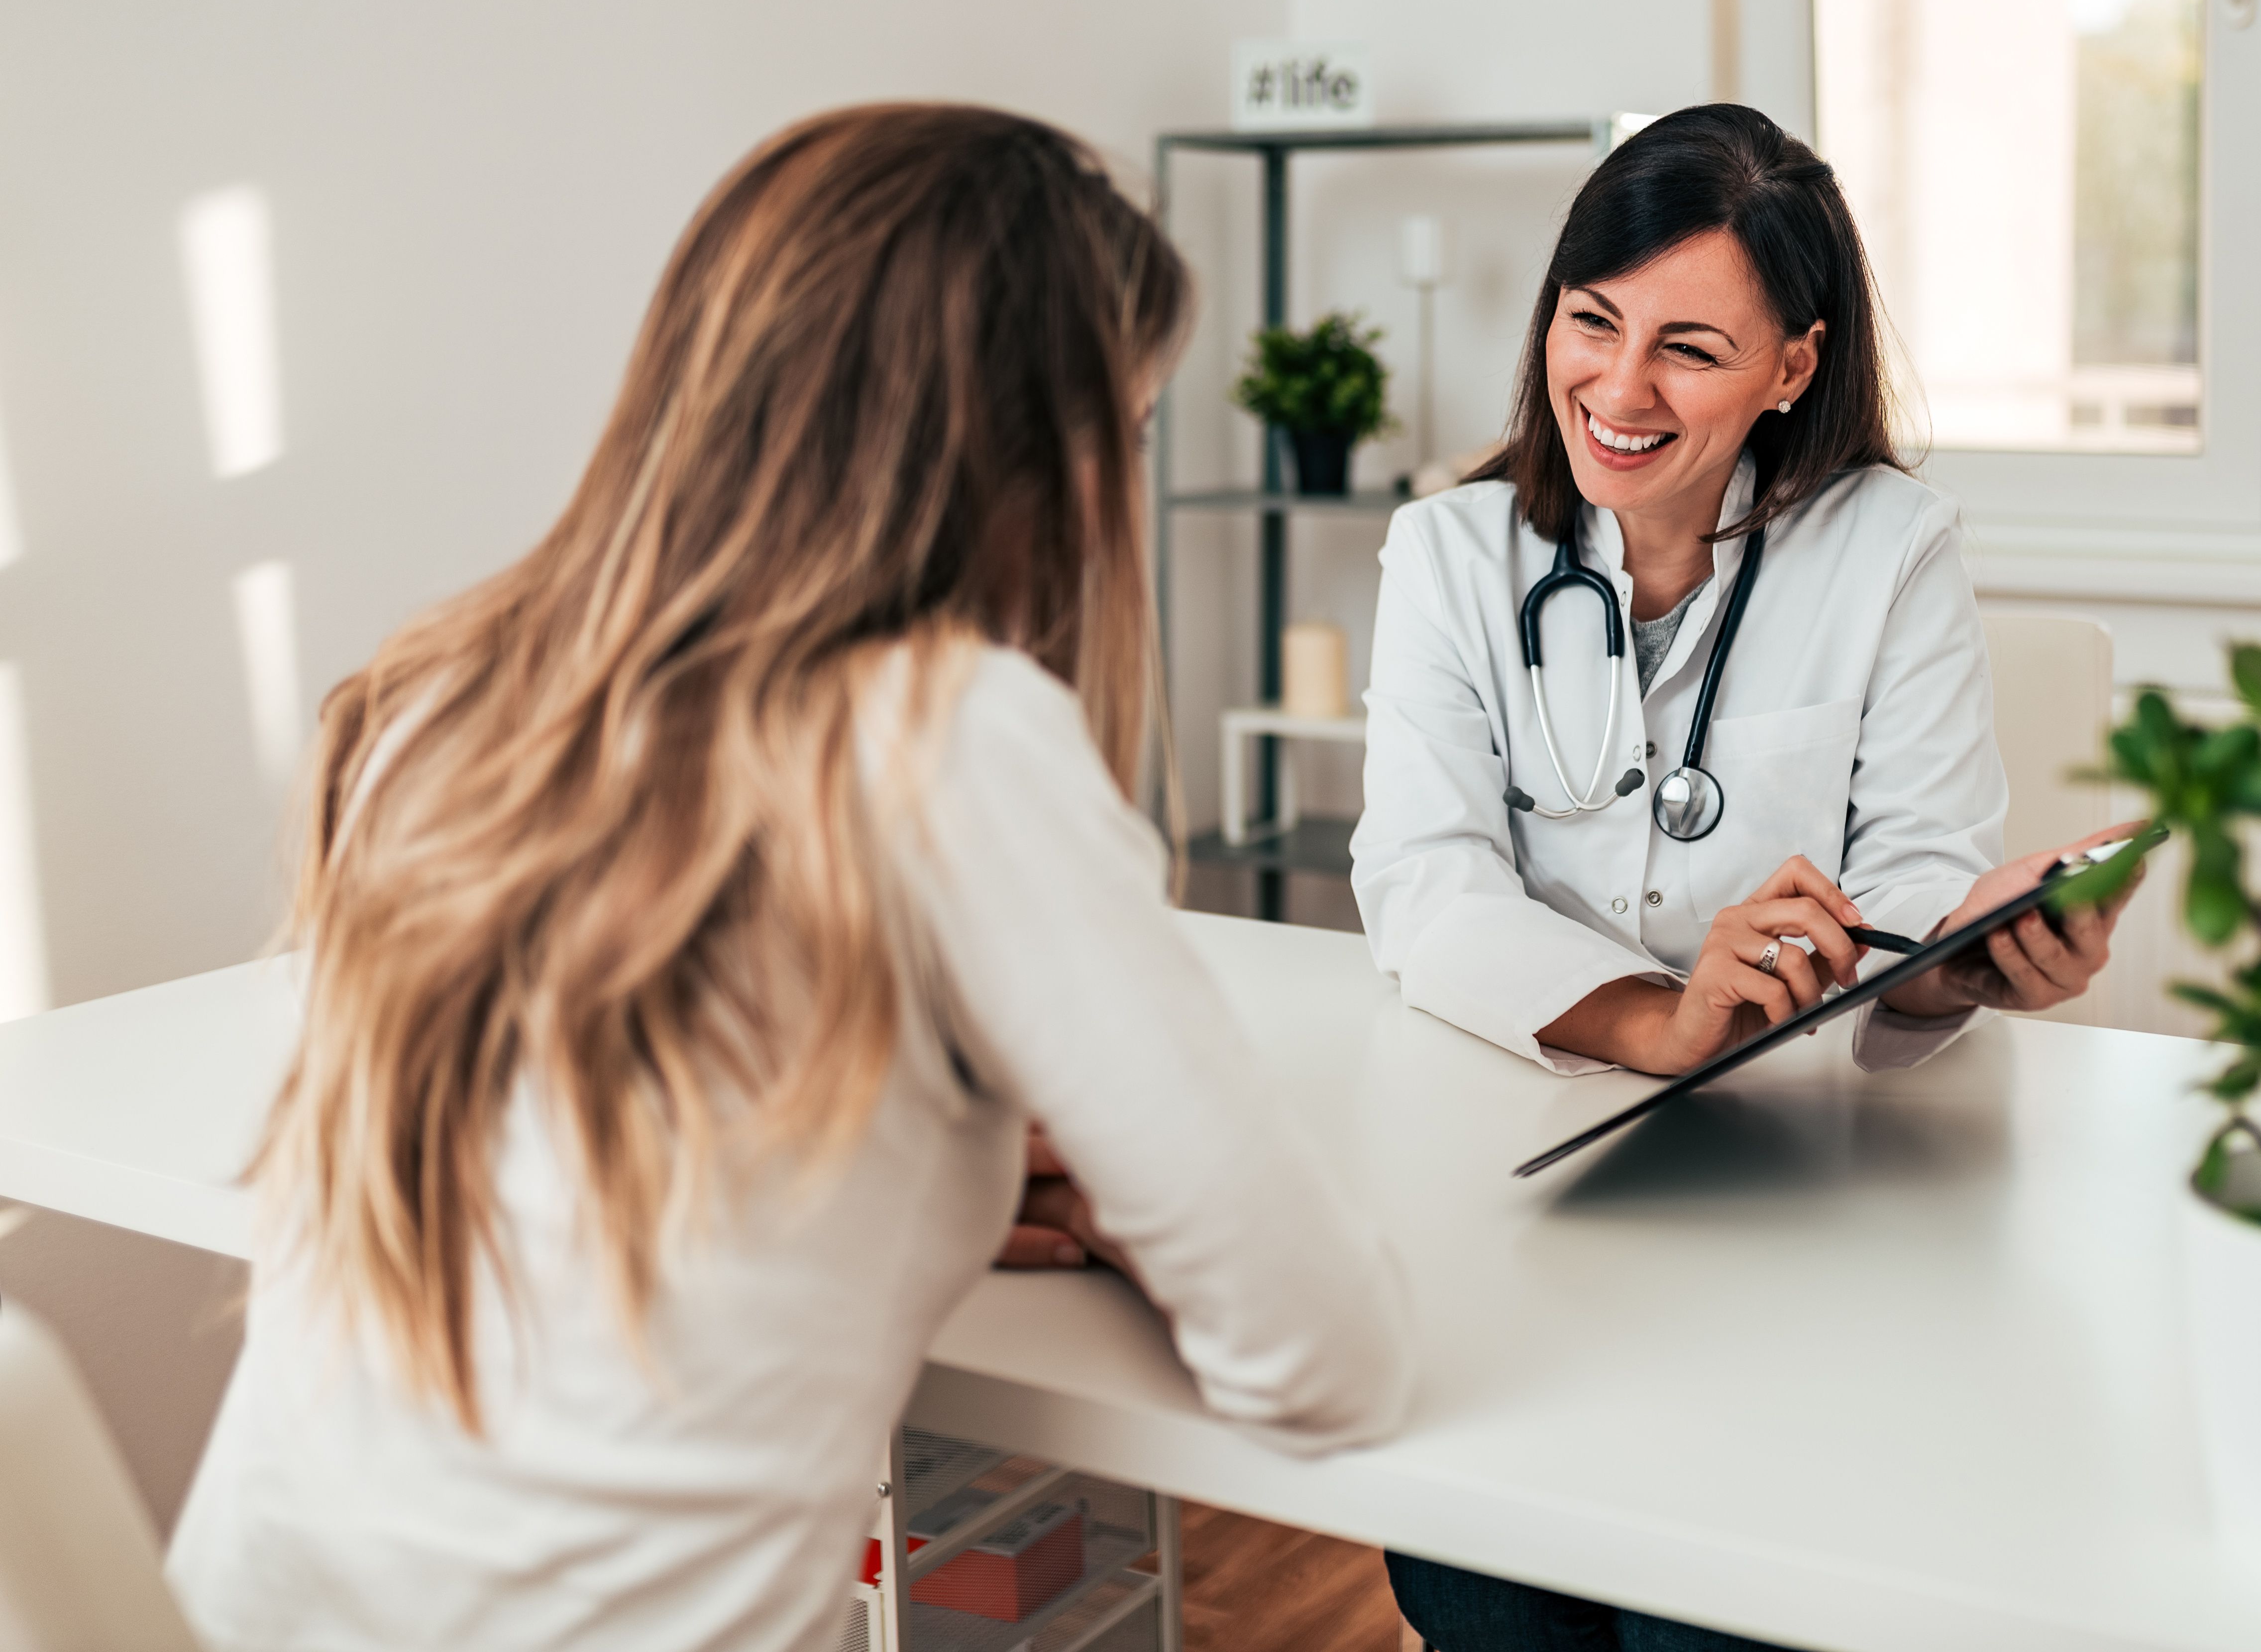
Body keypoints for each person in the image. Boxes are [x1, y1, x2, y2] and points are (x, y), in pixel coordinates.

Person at [168, 105, 1412, 1652]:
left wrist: (936, 1155)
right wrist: (1128, 1193)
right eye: (1134, 433)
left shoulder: (438, 697)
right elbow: (1326, 1357)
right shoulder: (947, 737)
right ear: (1027, 454)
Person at [1350, 103, 2140, 1650]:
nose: (1619, 390)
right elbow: (1425, 885)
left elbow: (1911, 879)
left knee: (1713, 1618)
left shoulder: (1890, 547)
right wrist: (1657, 1015)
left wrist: (1961, 959)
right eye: (1593, 322)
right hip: (1514, 1206)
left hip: (1796, 1221)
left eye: (1690, 349)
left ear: (1793, 365)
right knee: (1483, 1594)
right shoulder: (1448, 556)